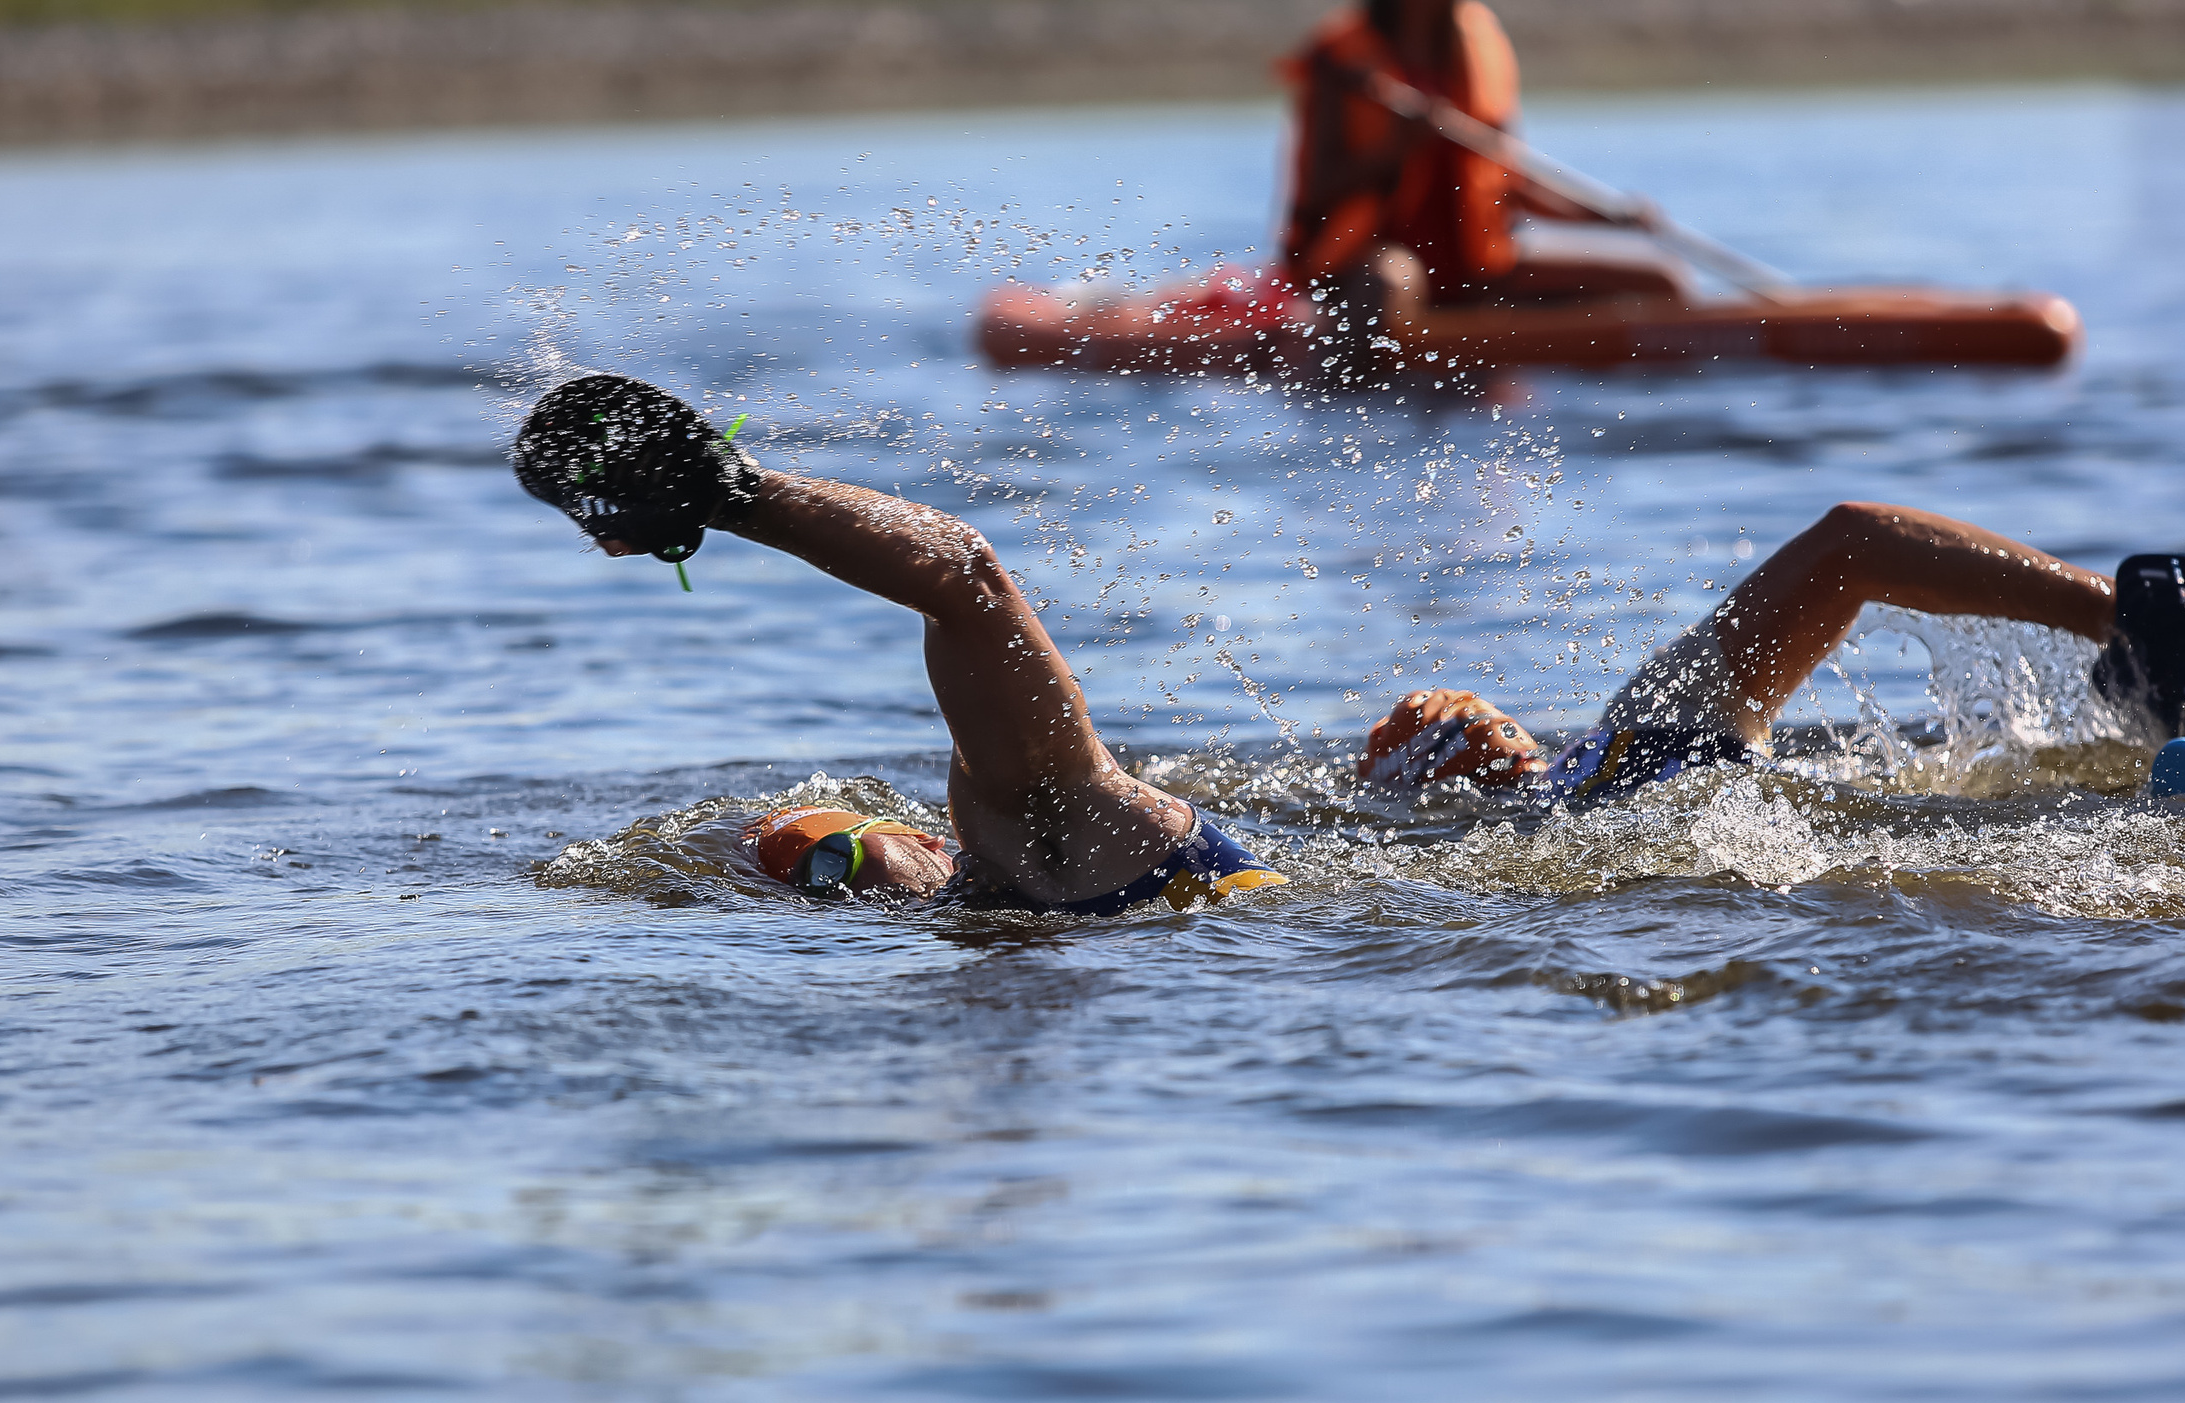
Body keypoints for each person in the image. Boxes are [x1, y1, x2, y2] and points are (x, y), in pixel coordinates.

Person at [510, 373, 1288, 912]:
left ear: (931, 837)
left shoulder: (1053, 827)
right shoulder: (992, 892)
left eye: (835, 857)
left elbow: (966, 576)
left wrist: (728, 492)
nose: (852, 876)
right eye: (821, 879)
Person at [1357, 503, 2185, 800]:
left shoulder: (1542, 826)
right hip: (1677, 765)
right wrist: (2114, 618)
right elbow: (1853, 542)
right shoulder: (1638, 717)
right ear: (1512, 743)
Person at [1279, 0, 1686, 310]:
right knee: (1388, 283)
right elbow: (1319, 189)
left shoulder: (1478, 42)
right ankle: (1349, 401)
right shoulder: (1341, 60)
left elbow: (1509, 178)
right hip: (1366, 263)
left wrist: (1606, 217)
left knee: (1663, 280)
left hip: (1475, 263)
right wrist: (1399, 148)